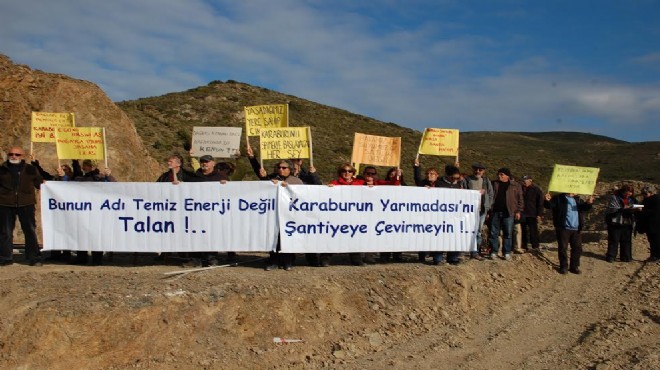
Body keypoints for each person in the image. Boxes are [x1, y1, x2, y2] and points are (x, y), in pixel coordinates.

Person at [0, 147, 43, 266]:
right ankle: (5, 257)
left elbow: (40, 183)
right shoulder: (2, 169)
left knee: (29, 230)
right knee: (5, 232)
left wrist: (61, 175)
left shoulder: (30, 169)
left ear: (22, 156)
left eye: (17, 155)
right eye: (11, 154)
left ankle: (33, 257)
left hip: (26, 204)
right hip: (5, 204)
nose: (14, 156)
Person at [72, 159, 117, 265]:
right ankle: (81, 258)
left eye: (86, 166)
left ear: (92, 167)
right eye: (83, 166)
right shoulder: (80, 178)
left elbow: (115, 185)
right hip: (83, 211)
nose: (84, 168)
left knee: (96, 235)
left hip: (98, 212)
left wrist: (109, 176)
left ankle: (97, 259)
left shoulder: (101, 178)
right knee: (82, 234)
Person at [263, 160, 302, 271]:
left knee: (289, 238)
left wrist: (289, 187)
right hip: (274, 215)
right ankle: (273, 261)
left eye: (284, 168)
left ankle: (288, 261)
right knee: (274, 237)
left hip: (290, 215)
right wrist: (270, 184)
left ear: (289, 169)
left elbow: (302, 195)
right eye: (279, 167)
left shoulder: (296, 181)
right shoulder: (272, 179)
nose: (281, 169)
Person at [544, 192, 594, 274]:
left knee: (577, 248)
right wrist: (546, 201)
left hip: (576, 228)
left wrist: (588, 204)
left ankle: (574, 267)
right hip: (563, 228)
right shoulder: (558, 198)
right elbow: (549, 206)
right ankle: (563, 267)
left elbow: (583, 208)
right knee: (563, 248)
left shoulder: (577, 199)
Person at [327, 163, 366, 266]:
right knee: (333, 235)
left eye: (349, 171)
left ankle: (356, 259)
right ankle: (325, 258)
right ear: (340, 173)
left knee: (354, 235)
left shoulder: (360, 183)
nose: (347, 173)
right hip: (338, 214)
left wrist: (370, 188)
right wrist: (328, 189)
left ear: (353, 173)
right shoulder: (335, 183)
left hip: (355, 215)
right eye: (344, 171)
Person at [488, 167, 523, 261]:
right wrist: (489, 209)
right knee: (494, 233)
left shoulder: (515, 185)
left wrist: (518, 211)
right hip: (495, 211)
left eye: (501, 174)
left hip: (509, 212)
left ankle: (507, 252)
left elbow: (520, 199)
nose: (499, 176)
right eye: (498, 174)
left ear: (507, 175)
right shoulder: (494, 183)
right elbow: (489, 196)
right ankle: (494, 252)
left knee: (508, 233)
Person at [461, 162, 494, 260]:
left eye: (480, 170)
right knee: (467, 230)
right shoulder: (466, 180)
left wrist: (488, 206)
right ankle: (465, 250)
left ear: (483, 171)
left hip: (482, 210)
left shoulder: (486, 181)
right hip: (469, 210)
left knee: (478, 231)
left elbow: (491, 194)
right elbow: (462, 193)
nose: (478, 171)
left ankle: (475, 251)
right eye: (476, 169)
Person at [604, 184, 638, 263]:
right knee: (614, 240)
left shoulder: (632, 199)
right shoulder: (615, 198)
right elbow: (612, 209)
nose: (629, 194)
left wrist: (636, 208)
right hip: (615, 222)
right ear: (623, 191)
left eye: (630, 192)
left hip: (627, 222)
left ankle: (626, 257)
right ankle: (611, 256)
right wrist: (623, 208)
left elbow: (635, 206)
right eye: (627, 191)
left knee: (626, 240)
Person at [520, 175, 545, 251]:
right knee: (522, 230)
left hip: (532, 213)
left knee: (533, 230)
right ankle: (524, 245)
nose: (524, 182)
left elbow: (540, 203)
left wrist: (539, 214)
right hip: (522, 213)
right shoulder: (520, 188)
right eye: (523, 180)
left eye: (526, 180)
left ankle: (535, 246)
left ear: (530, 180)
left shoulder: (536, 190)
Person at [638, 186, 660, 262]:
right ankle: (653, 255)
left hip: (655, 224)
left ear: (651, 193)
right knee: (651, 240)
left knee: (656, 240)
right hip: (650, 224)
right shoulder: (647, 199)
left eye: (645, 193)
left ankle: (656, 256)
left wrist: (643, 210)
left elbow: (655, 212)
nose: (644, 195)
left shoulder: (656, 200)